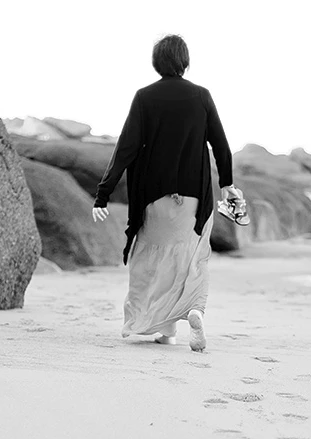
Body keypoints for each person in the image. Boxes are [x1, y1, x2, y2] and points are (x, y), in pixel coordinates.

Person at [91, 34, 236, 353]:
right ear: (185, 61)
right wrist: (227, 184)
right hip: (194, 198)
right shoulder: (201, 96)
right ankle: (194, 309)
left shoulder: (145, 97)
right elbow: (221, 146)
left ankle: (165, 330)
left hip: (154, 197)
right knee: (192, 257)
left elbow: (125, 148)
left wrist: (103, 194)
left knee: (152, 260)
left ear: (157, 62)